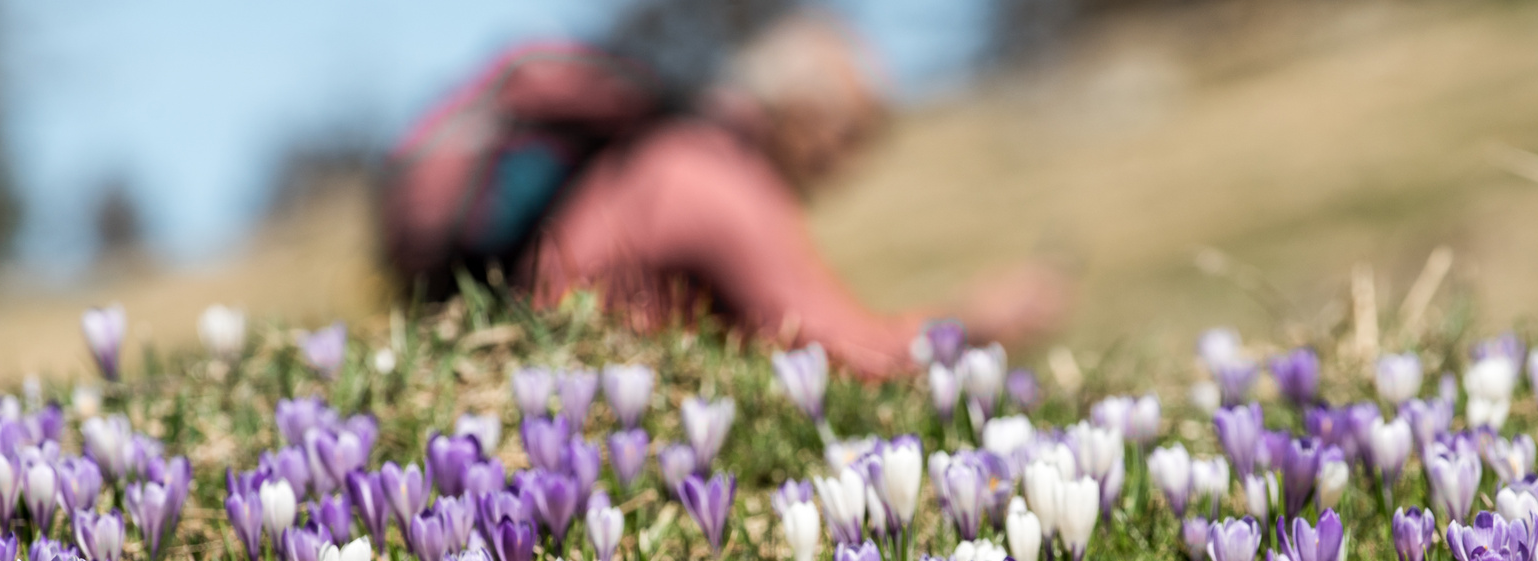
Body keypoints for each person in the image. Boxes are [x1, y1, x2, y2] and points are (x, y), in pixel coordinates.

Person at [384, 16, 1065, 379]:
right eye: (851, 135)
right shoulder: (717, 186)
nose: (846, 168)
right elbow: (842, 352)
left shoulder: (673, 156)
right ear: (798, 109)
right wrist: (972, 327)